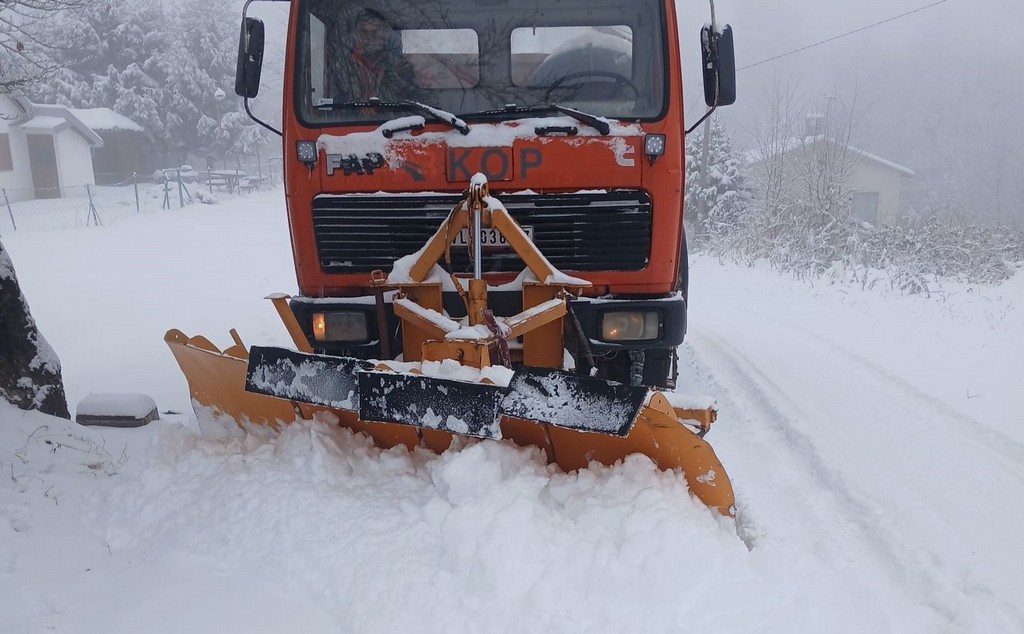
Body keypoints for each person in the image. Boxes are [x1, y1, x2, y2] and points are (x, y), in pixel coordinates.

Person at [330, 8, 418, 102]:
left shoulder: (399, 66)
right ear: (356, 34)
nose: (369, 38)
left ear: (384, 34)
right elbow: (333, 105)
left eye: (374, 32)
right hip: (351, 117)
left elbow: (414, 99)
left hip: (394, 117)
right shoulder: (342, 66)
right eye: (364, 32)